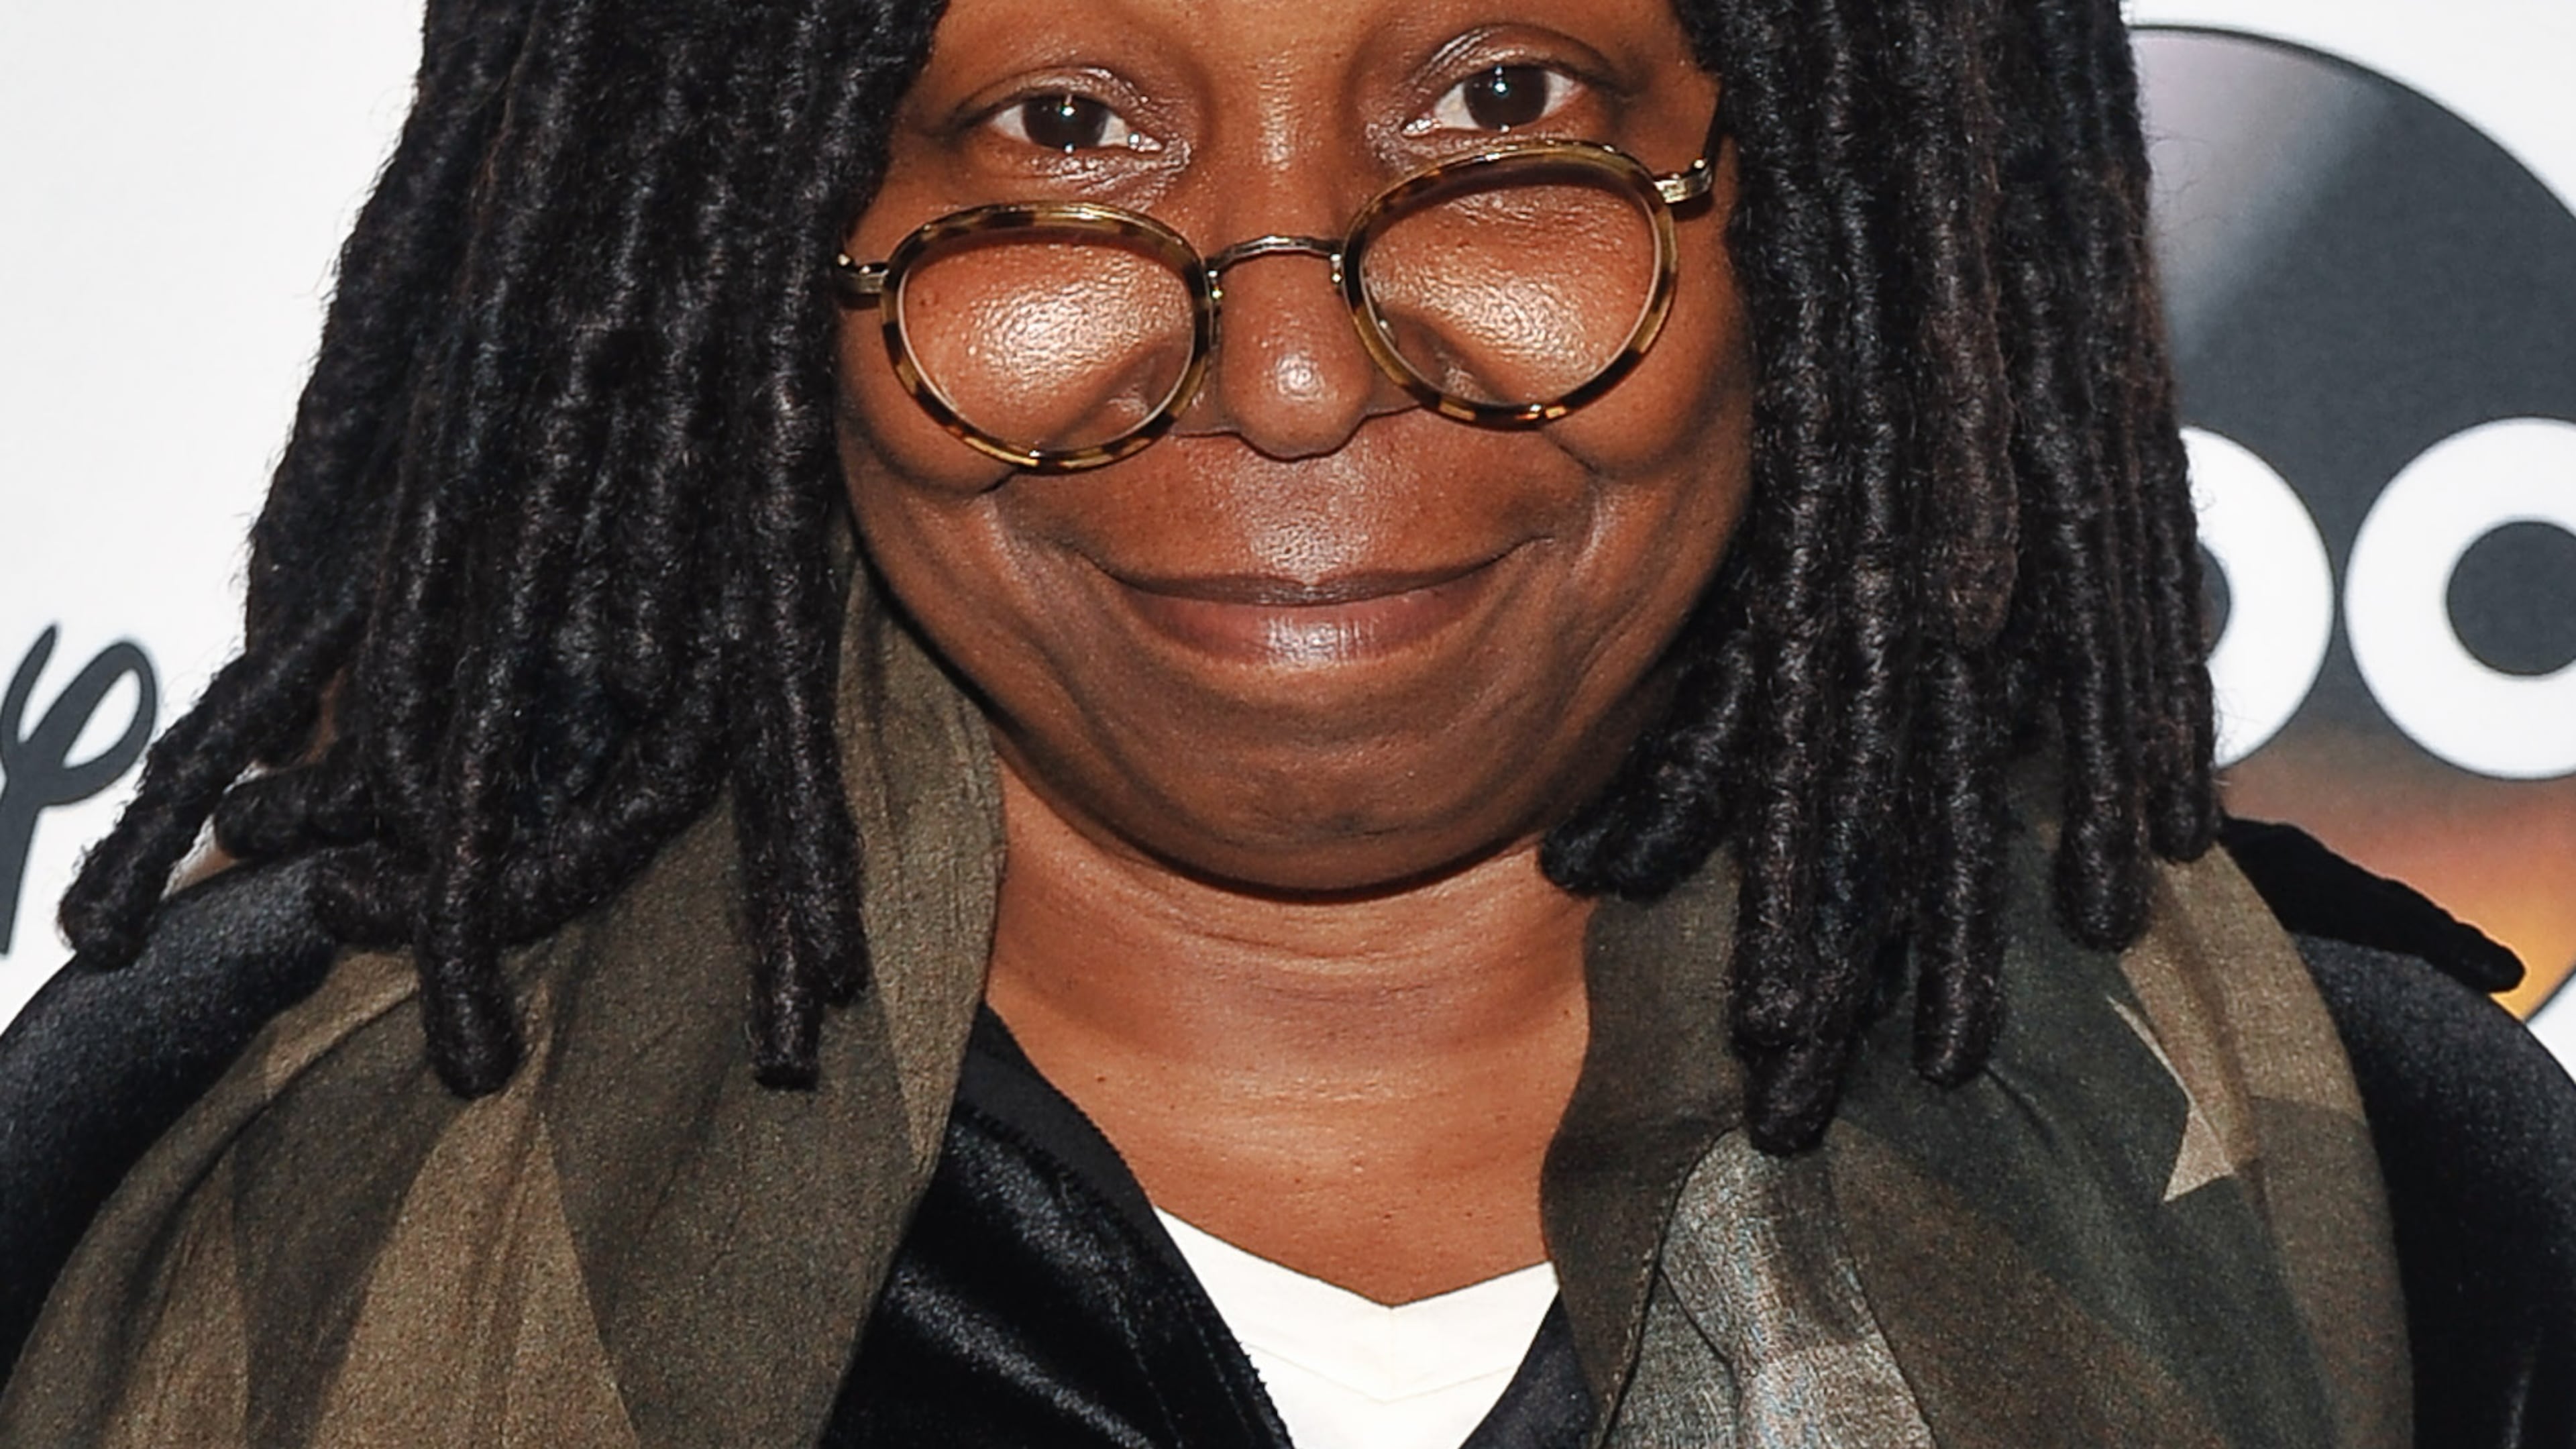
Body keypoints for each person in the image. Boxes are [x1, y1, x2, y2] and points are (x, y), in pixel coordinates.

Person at [1, 0, 2570, 1444]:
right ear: (771, 243)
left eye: (1504, 103)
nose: (1301, 368)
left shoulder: (2415, 1208)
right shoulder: (177, 1169)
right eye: (1063, 130)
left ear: (1813, 208)